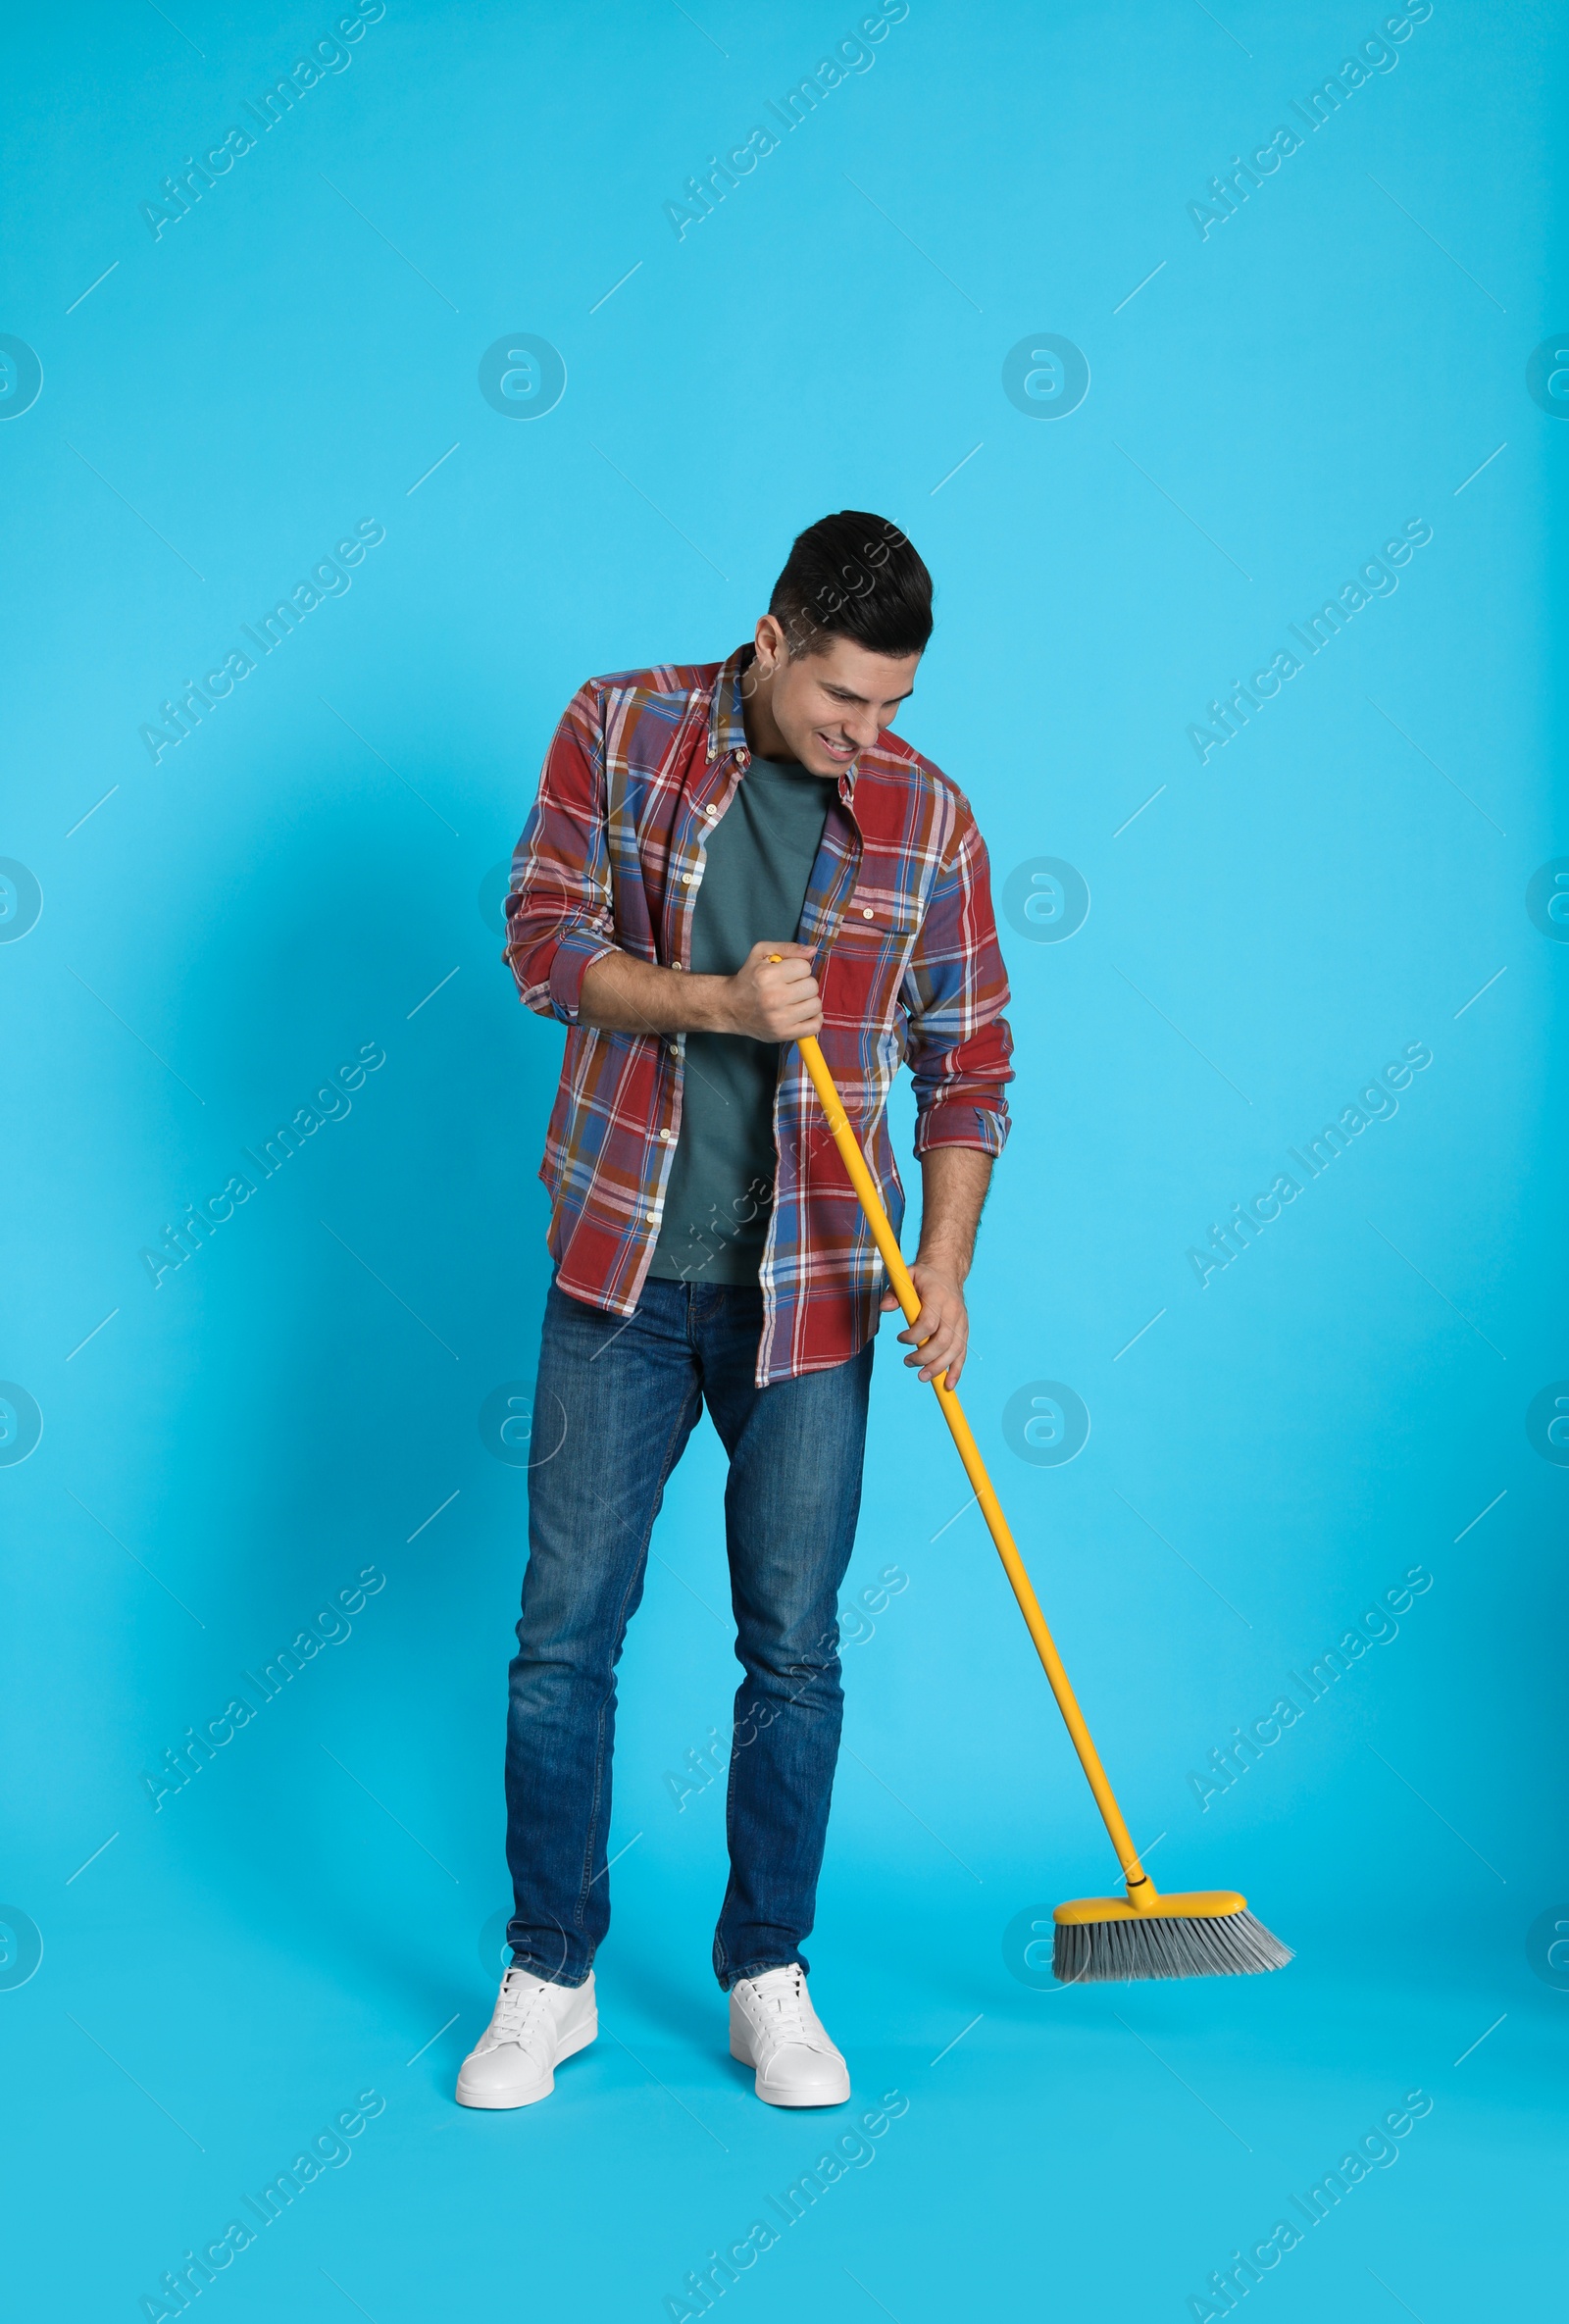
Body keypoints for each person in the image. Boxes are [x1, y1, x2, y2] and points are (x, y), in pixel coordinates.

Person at [457, 511, 1013, 2112]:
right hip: (622, 1273)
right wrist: (712, 998)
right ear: (771, 639)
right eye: (845, 702)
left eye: (894, 707)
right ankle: (547, 1975)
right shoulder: (619, 725)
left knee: (796, 1653)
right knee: (564, 1637)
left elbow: (969, 1064)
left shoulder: (926, 817)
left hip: (820, 1298)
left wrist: (951, 1265)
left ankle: (769, 1972)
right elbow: (540, 942)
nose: (869, 737)